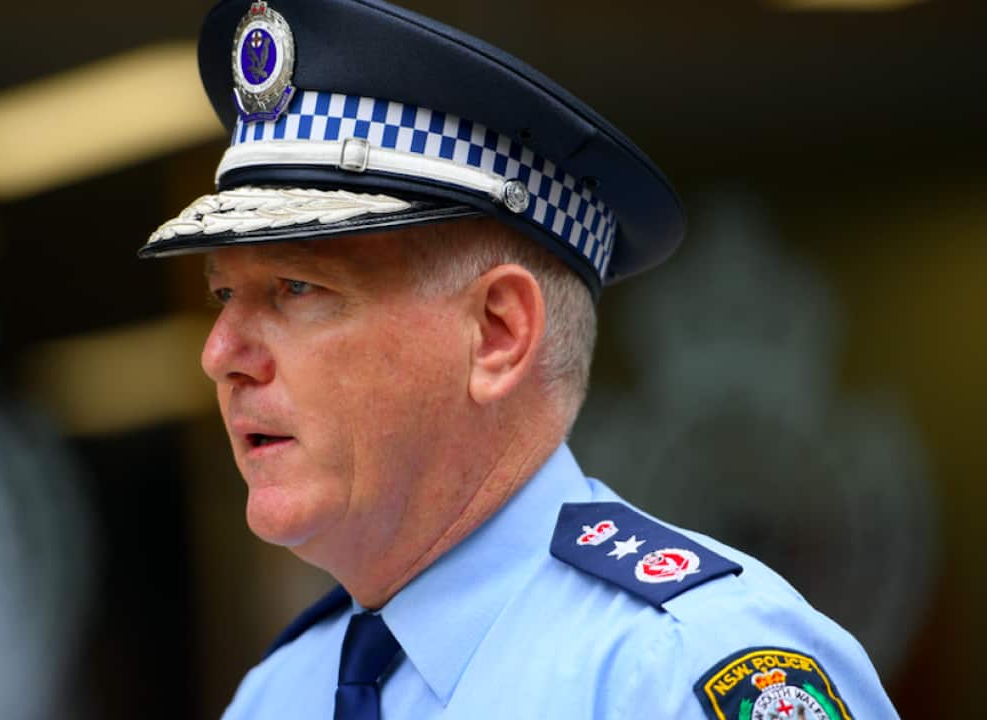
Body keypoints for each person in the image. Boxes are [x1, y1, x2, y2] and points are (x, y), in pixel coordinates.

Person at [140, 1, 899, 718]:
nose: (219, 356)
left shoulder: (680, 671)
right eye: (222, 297)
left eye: (297, 288)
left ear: (498, 334)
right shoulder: (281, 695)